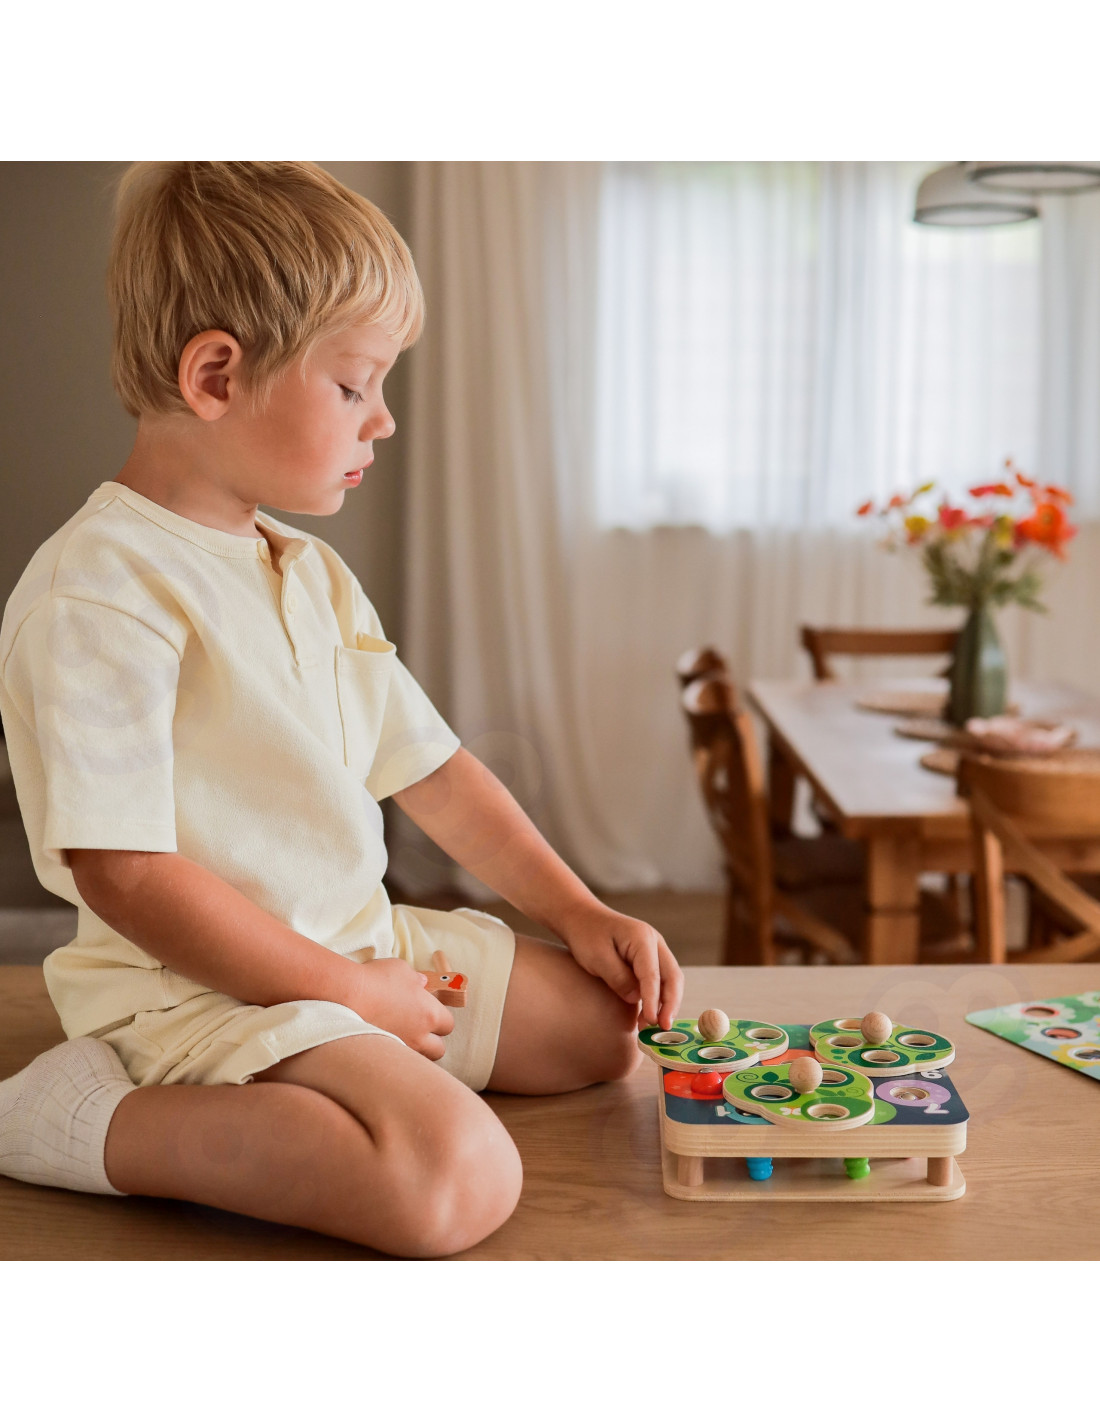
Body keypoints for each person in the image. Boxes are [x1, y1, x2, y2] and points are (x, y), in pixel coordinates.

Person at [0, 162, 682, 1257]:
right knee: (453, 1182)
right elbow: (123, 872)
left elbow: (432, 771)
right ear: (216, 375)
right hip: (196, 993)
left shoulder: (308, 571)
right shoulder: (102, 590)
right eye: (355, 385)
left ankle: (353, 1074)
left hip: (352, 945)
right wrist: (346, 996)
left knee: (605, 1033)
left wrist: (577, 910)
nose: (385, 420)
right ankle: (84, 1120)